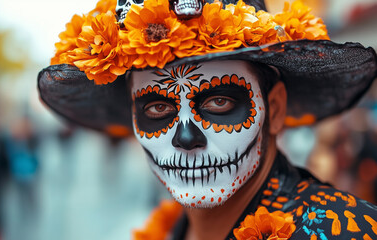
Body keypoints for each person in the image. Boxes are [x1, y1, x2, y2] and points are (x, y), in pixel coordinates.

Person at [38, 0, 377, 239]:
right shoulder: (172, 229)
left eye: (218, 101)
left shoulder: (346, 232)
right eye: (157, 108)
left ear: (273, 110)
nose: (186, 138)